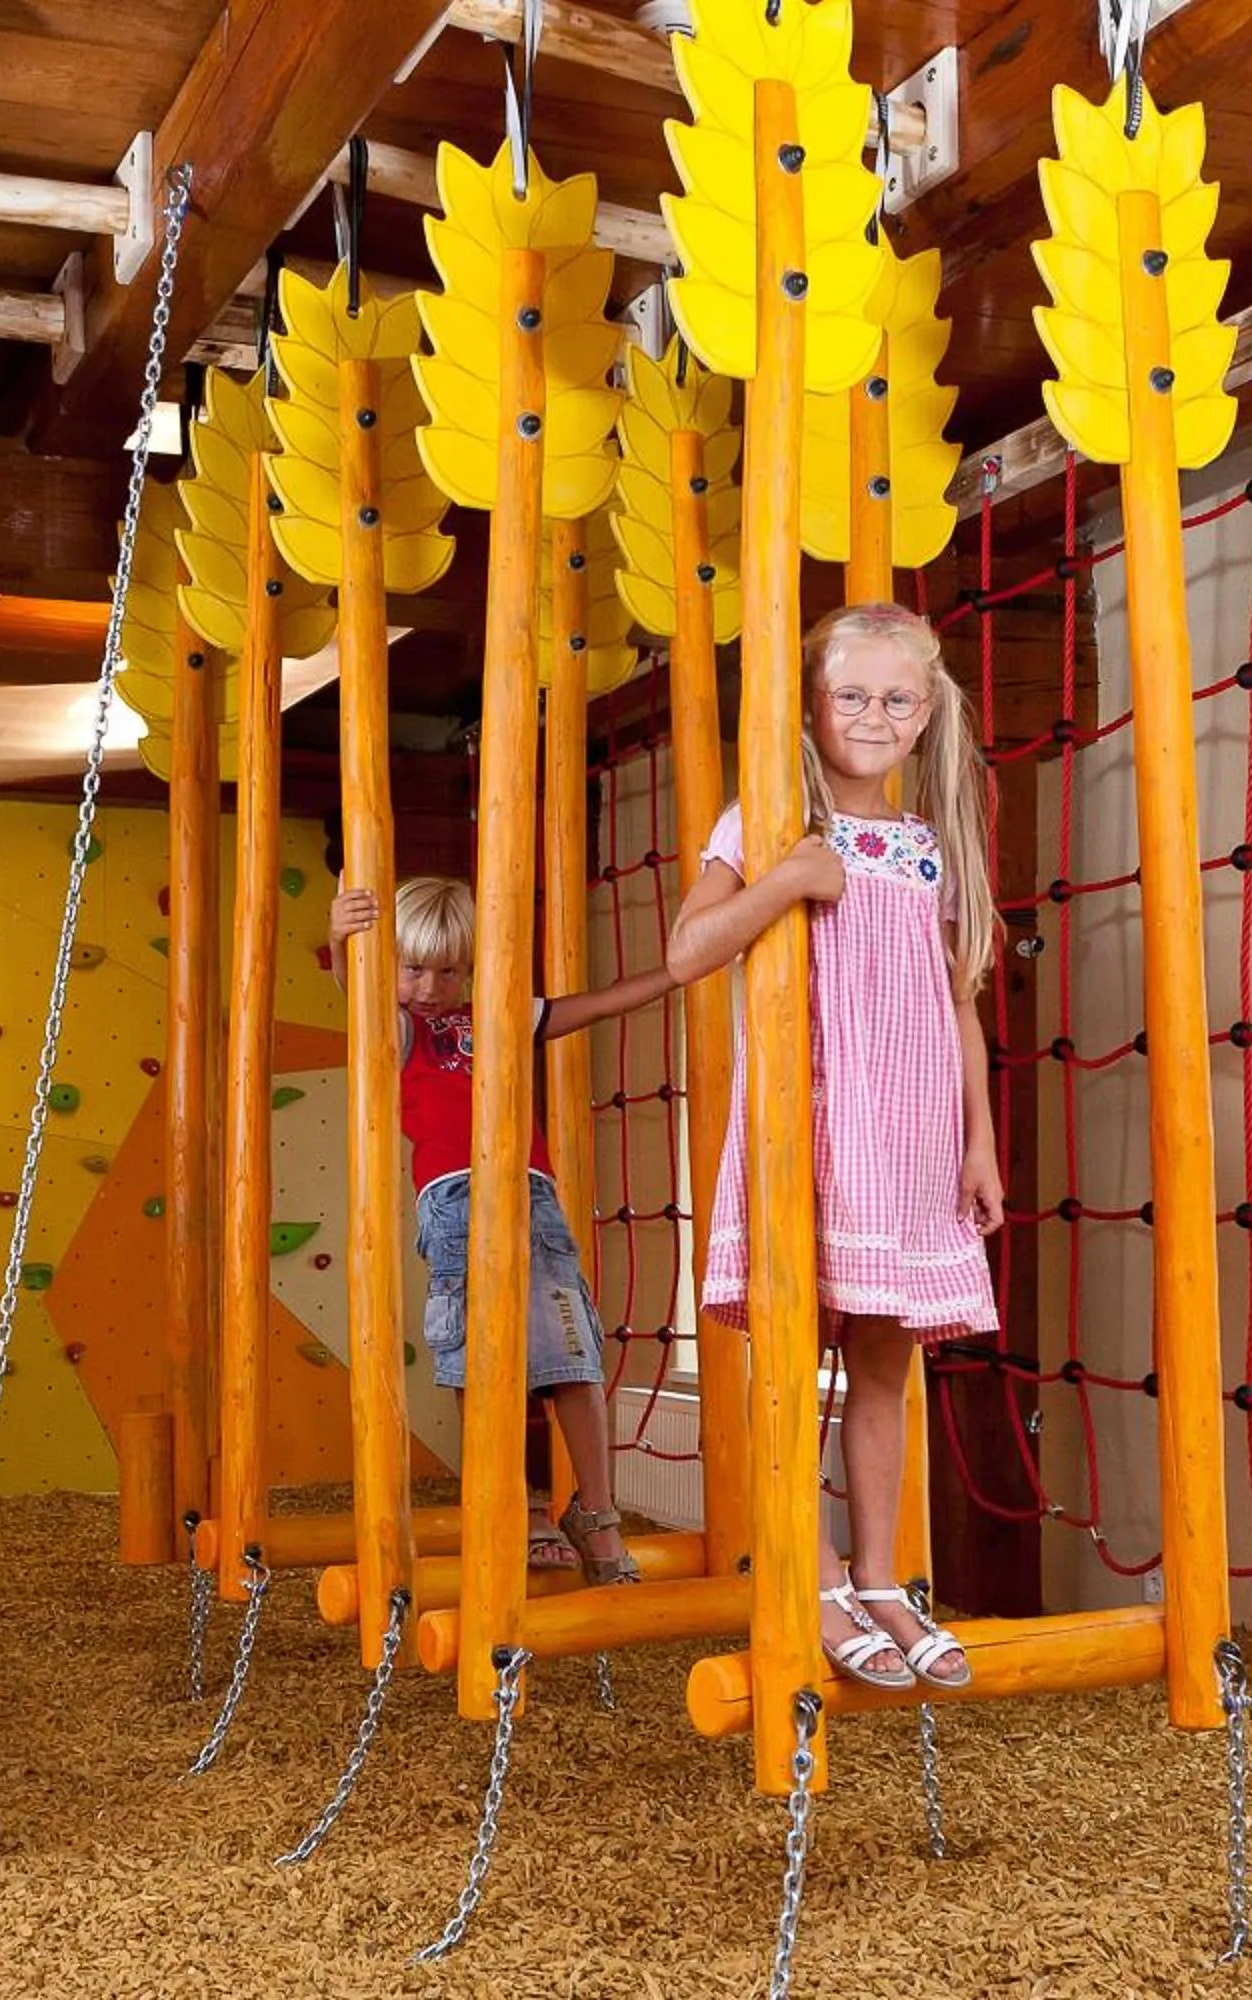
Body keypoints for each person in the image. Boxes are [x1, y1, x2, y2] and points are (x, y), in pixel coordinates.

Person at [666, 602, 1004, 1690]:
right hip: (809, 1129)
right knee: (791, 1362)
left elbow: (959, 1006)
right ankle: (811, 1580)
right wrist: (786, 881)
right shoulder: (765, 825)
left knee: (884, 1371)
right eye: (850, 694)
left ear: (927, 713)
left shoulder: (928, 848)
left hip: (912, 1138)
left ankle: (881, 1579)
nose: (873, 715)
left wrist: (980, 1141)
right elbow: (686, 952)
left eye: (897, 699)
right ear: (812, 704)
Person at [328, 874, 680, 1581]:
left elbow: (593, 1004)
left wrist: (676, 971)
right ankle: (514, 1508)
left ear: (470, 968)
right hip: (456, 1198)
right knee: (483, 1360)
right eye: (413, 968)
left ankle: (596, 1513)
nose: (431, 987)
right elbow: (355, 991)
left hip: (532, 1193)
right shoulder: (402, 1028)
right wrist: (341, 939)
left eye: (449, 971)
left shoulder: (497, 1013)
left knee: (572, 1356)